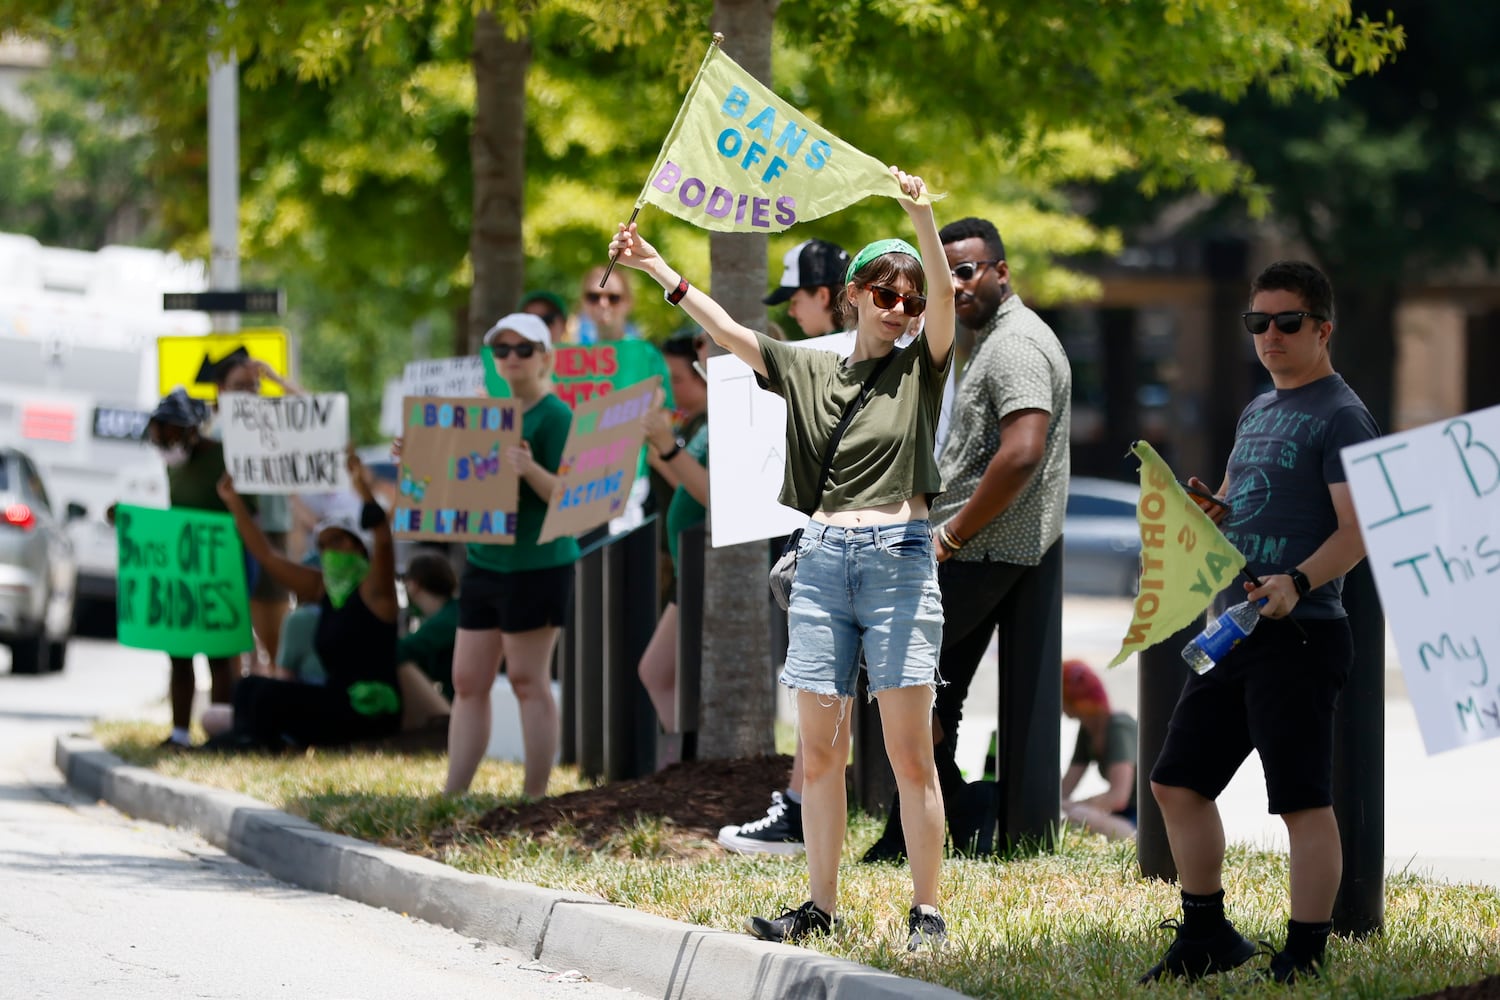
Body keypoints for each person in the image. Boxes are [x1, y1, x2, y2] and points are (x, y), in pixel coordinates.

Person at [609, 164, 954, 952]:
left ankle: (927, 910)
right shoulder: (808, 368)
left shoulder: (921, 367)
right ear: (855, 296)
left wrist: (921, 217)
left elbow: (942, 298)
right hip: (824, 558)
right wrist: (657, 267)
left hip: (900, 557)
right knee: (822, 750)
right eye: (885, 293)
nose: (900, 309)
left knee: (908, 753)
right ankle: (820, 906)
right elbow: (730, 332)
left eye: (908, 299)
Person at [1141, 260, 1378, 986]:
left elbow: (1358, 526)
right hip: (1237, 627)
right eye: (1258, 323)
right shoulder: (1259, 410)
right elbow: (1257, 505)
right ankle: (1207, 935)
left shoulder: (1341, 413)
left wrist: (1299, 580)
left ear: (1322, 329)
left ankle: (1304, 956)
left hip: (1301, 630)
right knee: (1176, 782)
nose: (1269, 336)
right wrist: (1218, 513)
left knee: (1302, 801)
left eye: (1287, 322)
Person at [861, 215, 1071, 862]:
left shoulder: (1014, 347)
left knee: (895, 673)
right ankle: (925, 825)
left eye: (967, 271)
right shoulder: (996, 341)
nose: (954, 286)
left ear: (1002, 272)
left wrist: (949, 535)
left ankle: (953, 813)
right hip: (977, 548)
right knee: (923, 686)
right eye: (942, 276)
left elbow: (1022, 450)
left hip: (978, 551)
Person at [717, 239, 849, 856]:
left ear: (824, 296)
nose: (792, 311)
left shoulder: (848, 363)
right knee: (827, 690)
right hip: (846, 541)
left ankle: (801, 814)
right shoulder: (871, 359)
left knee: (824, 688)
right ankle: (803, 808)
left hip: (843, 547)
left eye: (796, 297)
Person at [444, 312, 579, 799]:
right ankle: (453, 794)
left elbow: (571, 495)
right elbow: (448, 474)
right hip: (485, 560)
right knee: (467, 679)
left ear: (545, 356)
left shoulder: (557, 415)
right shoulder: (485, 412)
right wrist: (417, 451)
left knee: (527, 680)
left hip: (539, 564)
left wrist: (528, 468)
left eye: (524, 349)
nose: (512, 358)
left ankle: (535, 796)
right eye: (502, 350)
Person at [214, 454, 404, 749]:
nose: (330, 551)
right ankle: (248, 740)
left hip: (368, 710)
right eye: (324, 545)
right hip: (334, 699)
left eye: (338, 541)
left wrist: (363, 489)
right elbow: (268, 556)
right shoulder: (323, 588)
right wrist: (234, 503)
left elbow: (382, 537)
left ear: (357, 546)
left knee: (267, 696)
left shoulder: (376, 592)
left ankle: (254, 743)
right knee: (248, 686)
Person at [138, 387, 248, 748]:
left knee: (219, 656)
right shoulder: (174, 466)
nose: (165, 443)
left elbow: (246, 509)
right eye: (160, 436)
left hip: (220, 570)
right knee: (180, 654)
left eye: (171, 434)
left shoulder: (223, 459)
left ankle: (221, 732)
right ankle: (180, 733)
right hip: (185, 574)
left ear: (190, 431)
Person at [206, 347, 304, 677]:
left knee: (274, 637)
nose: (250, 393)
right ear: (221, 390)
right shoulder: (212, 432)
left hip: (271, 531)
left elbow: (318, 414)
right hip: (229, 535)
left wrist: (276, 379)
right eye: (240, 386)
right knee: (233, 635)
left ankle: (272, 701)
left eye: (254, 386)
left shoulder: (275, 422)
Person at [637, 375, 711, 741]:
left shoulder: (722, 418)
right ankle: (687, 761)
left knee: (657, 670)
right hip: (691, 566)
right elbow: (688, 483)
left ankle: (690, 760)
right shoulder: (708, 421)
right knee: (657, 671)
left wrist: (666, 446)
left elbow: (714, 496)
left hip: (709, 566)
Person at [1059, 659, 1137, 841]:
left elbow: (1118, 797)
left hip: (1143, 823)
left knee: (1079, 816)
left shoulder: (1119, 726)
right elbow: (1064, 790)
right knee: (1070, 818)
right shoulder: (1088, 730)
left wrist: (1072, 805)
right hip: (1121, 818)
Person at [395, 551, 460, 733]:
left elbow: (401, 650)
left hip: (455, 704)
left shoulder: (448, 618)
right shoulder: (452, 611)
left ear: (414, 584)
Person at [572, 266, 641, 345]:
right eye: (593, 297)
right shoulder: (572, 352)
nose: (603, 304)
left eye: (613, 298)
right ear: (583, 301)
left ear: (629, 302)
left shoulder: (644, 353)